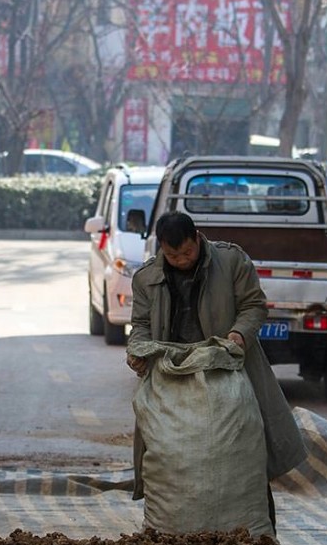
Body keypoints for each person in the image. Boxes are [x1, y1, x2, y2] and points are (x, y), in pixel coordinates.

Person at [126, 212, 306, 522]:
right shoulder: (146, 277)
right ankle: (171, 524)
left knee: (243, 446)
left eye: (187, 252)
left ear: (197, 237)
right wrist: (137, 350)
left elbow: (254, 305)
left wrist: (239, 335)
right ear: (161, 249)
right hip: (173, 376)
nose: (181, 260)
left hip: (227, 369)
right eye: (172, 255)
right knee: (170, 452)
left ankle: (254, 532)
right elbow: (140, 324)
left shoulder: (231, 260)